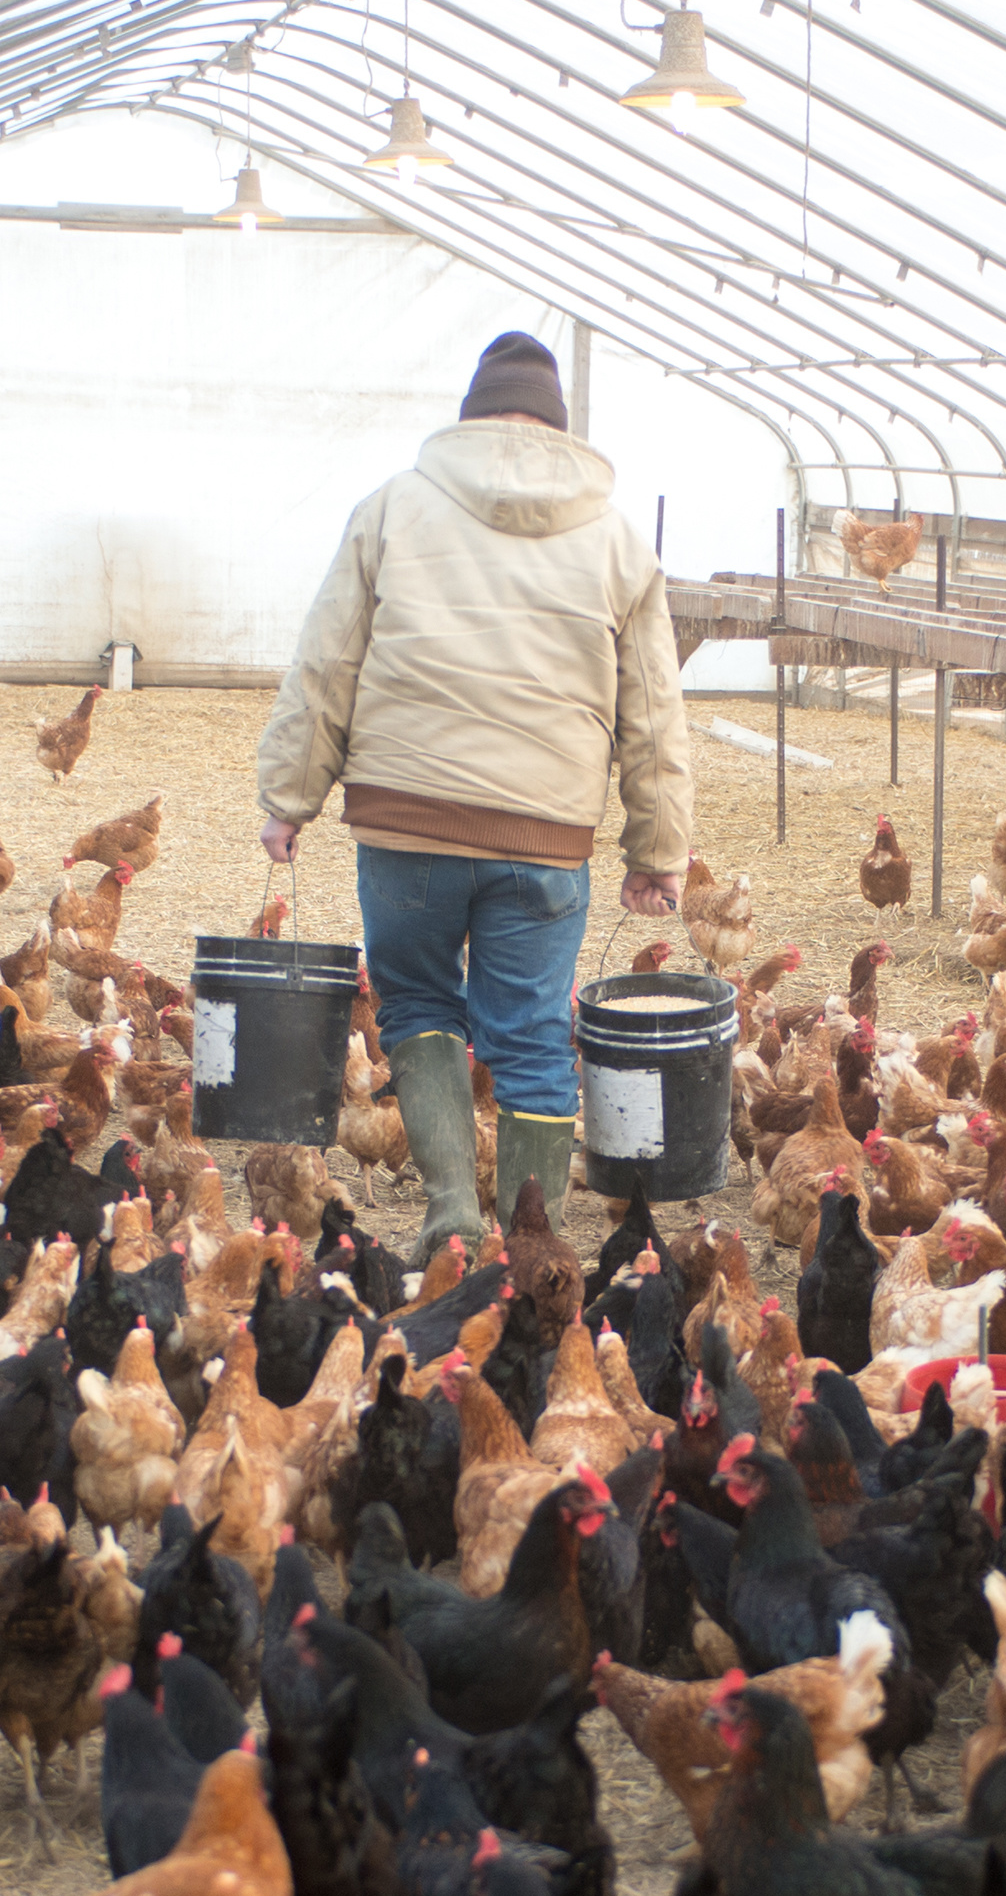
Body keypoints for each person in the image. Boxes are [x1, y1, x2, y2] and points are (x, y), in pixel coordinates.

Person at [254, 331, 689, 1258]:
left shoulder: (393, 508)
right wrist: (657, 850)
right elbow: (653, 709)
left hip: (406, 822)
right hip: (545, 835)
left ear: (473, 412)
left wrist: (289, 796)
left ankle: (450, 1213)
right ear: (556, 427)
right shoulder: (615, 538)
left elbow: (327, 660)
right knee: (531, 1035)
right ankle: (526, 1241)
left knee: (413, 1006)